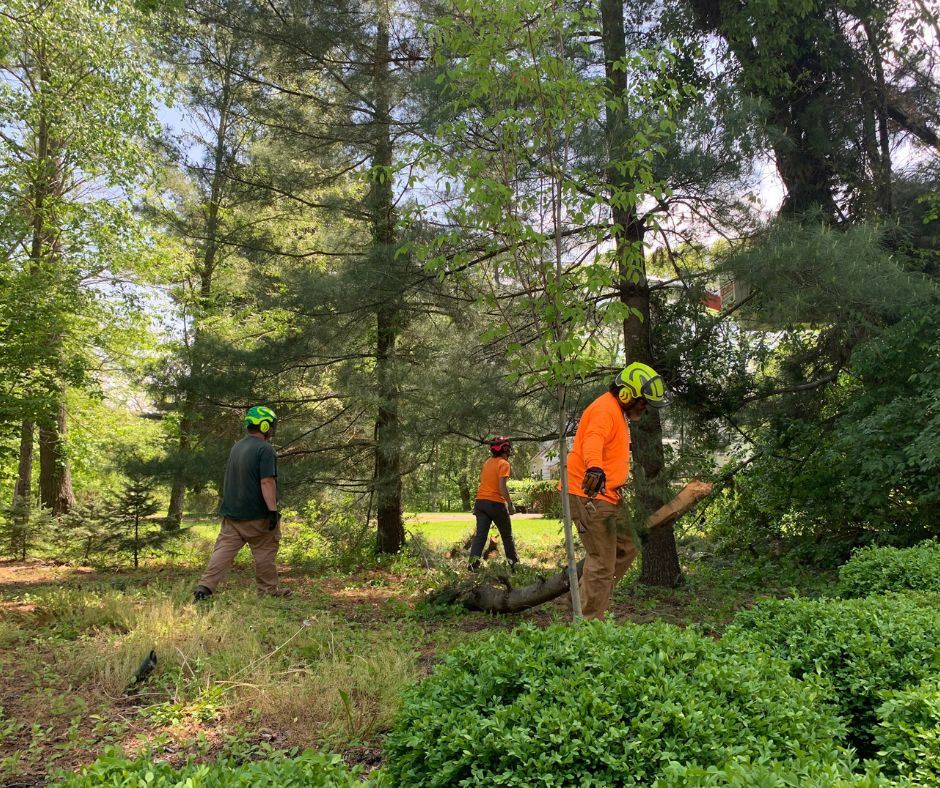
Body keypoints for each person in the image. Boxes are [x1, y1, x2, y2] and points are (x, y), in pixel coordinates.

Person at [566, 363, 667, 618]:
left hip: (610, 495)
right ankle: (588, 624)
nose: (644, 408)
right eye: (643, 402)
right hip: (590, 493)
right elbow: (593, 440)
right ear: (626, 394)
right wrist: (595, 468)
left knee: (628, 546)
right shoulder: (603, 410)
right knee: (601, 561)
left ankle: (589, 598)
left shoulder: (617, 412)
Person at [193, 405, 291, 601]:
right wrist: (272, 511)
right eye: (271, 425)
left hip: (232, 514)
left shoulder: (237, 446)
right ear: (264, 426)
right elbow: (266, 481)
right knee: (265, 552)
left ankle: (204, 587)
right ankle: (268, 591)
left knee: (223, 551)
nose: (272, 429)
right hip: (257, 516)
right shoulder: (265, 449)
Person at [468, 436, 519, 571]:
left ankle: (472, 566)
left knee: (480, 536)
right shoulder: (504, 464)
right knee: (506, 535)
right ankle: (514, 565)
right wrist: (510, 504)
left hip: (480, 502)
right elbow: (502, 487)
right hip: (495, 503)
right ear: (505, 449)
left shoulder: (487, 462)